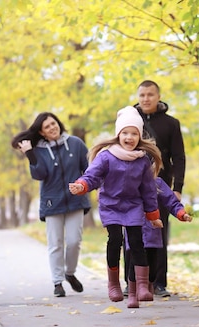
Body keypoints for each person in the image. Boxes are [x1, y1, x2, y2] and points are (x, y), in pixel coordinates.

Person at [68, 106, 164, 308]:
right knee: (116, 239)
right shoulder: (106, 157)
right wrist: (82, 185)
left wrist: (153, 215)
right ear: (118, 134)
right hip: (111, 205)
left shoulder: (142, 161)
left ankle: (139, 288)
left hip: (133, 206)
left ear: (139, 136)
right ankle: (113, 284)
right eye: (125, 133)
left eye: (134, 133)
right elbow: (92, 176)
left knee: (137, 243)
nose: (129, 137)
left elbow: (148, 190)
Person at [13, 112, 91, 298]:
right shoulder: (38, 150)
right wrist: (30, 154)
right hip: (51, 202)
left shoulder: (76, 144)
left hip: (76, 200)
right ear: (42, 132)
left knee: (74, 241)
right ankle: (57, 282)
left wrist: (84, 185)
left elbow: (89, 169)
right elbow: (39, 174)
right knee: (55, 243)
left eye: (53, 123)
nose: (52, 128)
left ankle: (69, 273)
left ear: (59, 124)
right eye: (47, 127)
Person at [126, 80, 186, 297]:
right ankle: (130, 281)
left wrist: (177, 188)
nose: (146, 99)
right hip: (131, 187)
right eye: (142, 95)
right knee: (131, 233)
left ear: (158, 96)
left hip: (160, 187)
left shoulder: (171, 124)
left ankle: (159, 282)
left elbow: (179, 157)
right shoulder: (129, 121)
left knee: (158, 233)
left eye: (150, 94)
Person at [125, 177, 193, 295]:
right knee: (134, 264)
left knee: (152, 271)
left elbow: (171, 201)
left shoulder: (157, 183)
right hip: (134, 231)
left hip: (152, 233)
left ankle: (149, 287)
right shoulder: (126, 181)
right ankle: (132, 293)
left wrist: (182, 214)